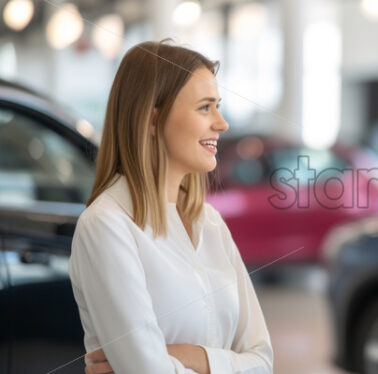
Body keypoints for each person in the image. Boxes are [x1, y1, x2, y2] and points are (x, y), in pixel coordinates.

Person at [69, 40, 273, 374]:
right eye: (205, 107)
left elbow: (263, 361)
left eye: (217, 106)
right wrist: (230, 364)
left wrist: (194, 357)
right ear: (152, 120)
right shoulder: (106, 226)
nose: (222, 123)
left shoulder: (211, 223)